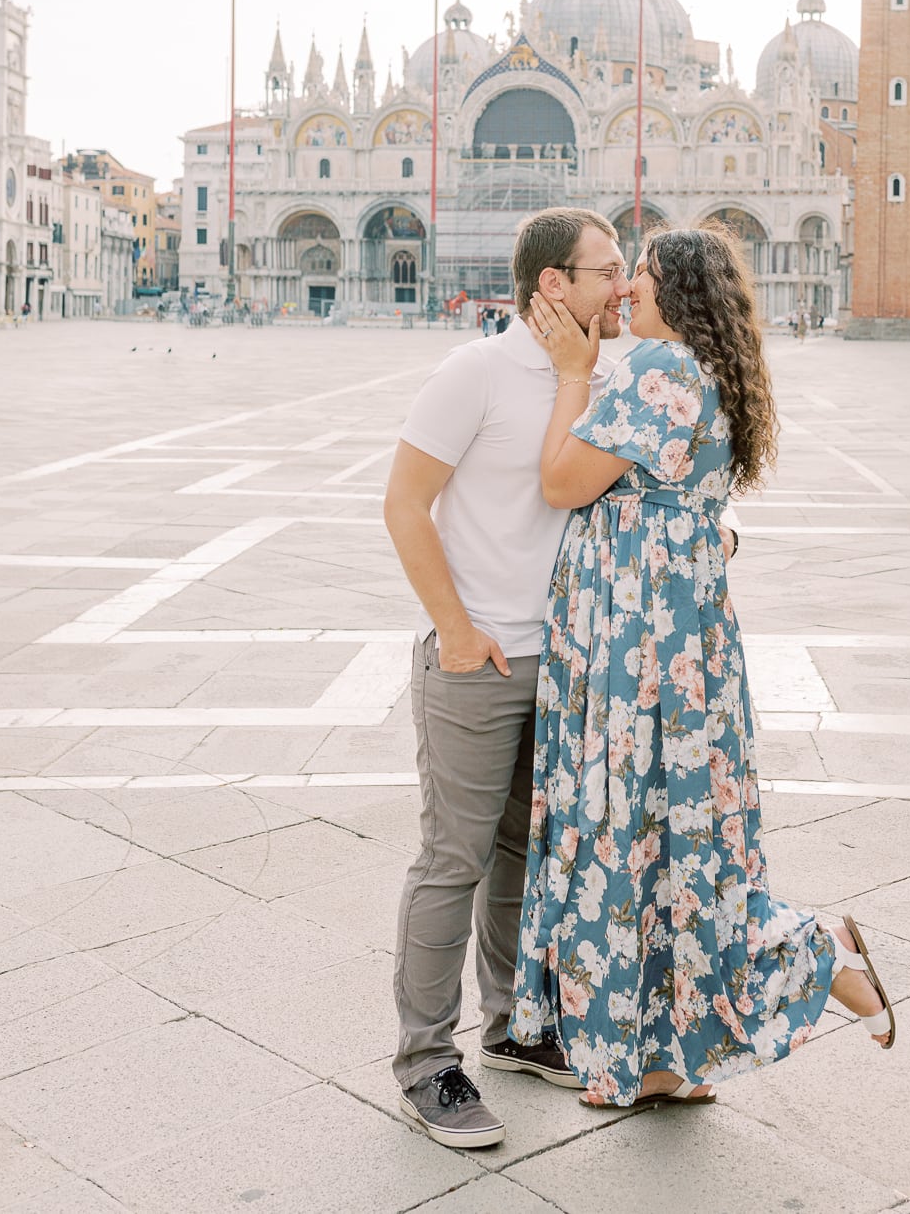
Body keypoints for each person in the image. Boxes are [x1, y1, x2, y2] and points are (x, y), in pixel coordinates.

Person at [509, 224, 894, 1110]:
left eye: (638, 274)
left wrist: (572, 374)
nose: (625, 289)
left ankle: (819, 956)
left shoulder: (658, 373)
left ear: (676, 292)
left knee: (628, 826)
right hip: (687, 639)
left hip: (637, 641)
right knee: (680, 835)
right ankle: (668, 1058)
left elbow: (563, 482)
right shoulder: (709, 373)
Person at [383, 209, 633, 1149]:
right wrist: (455, 628)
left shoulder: (602, 378)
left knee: (527, 857)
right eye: (608, 270)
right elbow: (404, 503)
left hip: (566, 663)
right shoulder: (474, 372)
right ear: (553, 286)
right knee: (454, 858)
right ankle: (426, 1061)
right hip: (480, 659)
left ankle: (515, 1026)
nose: (625, 284)